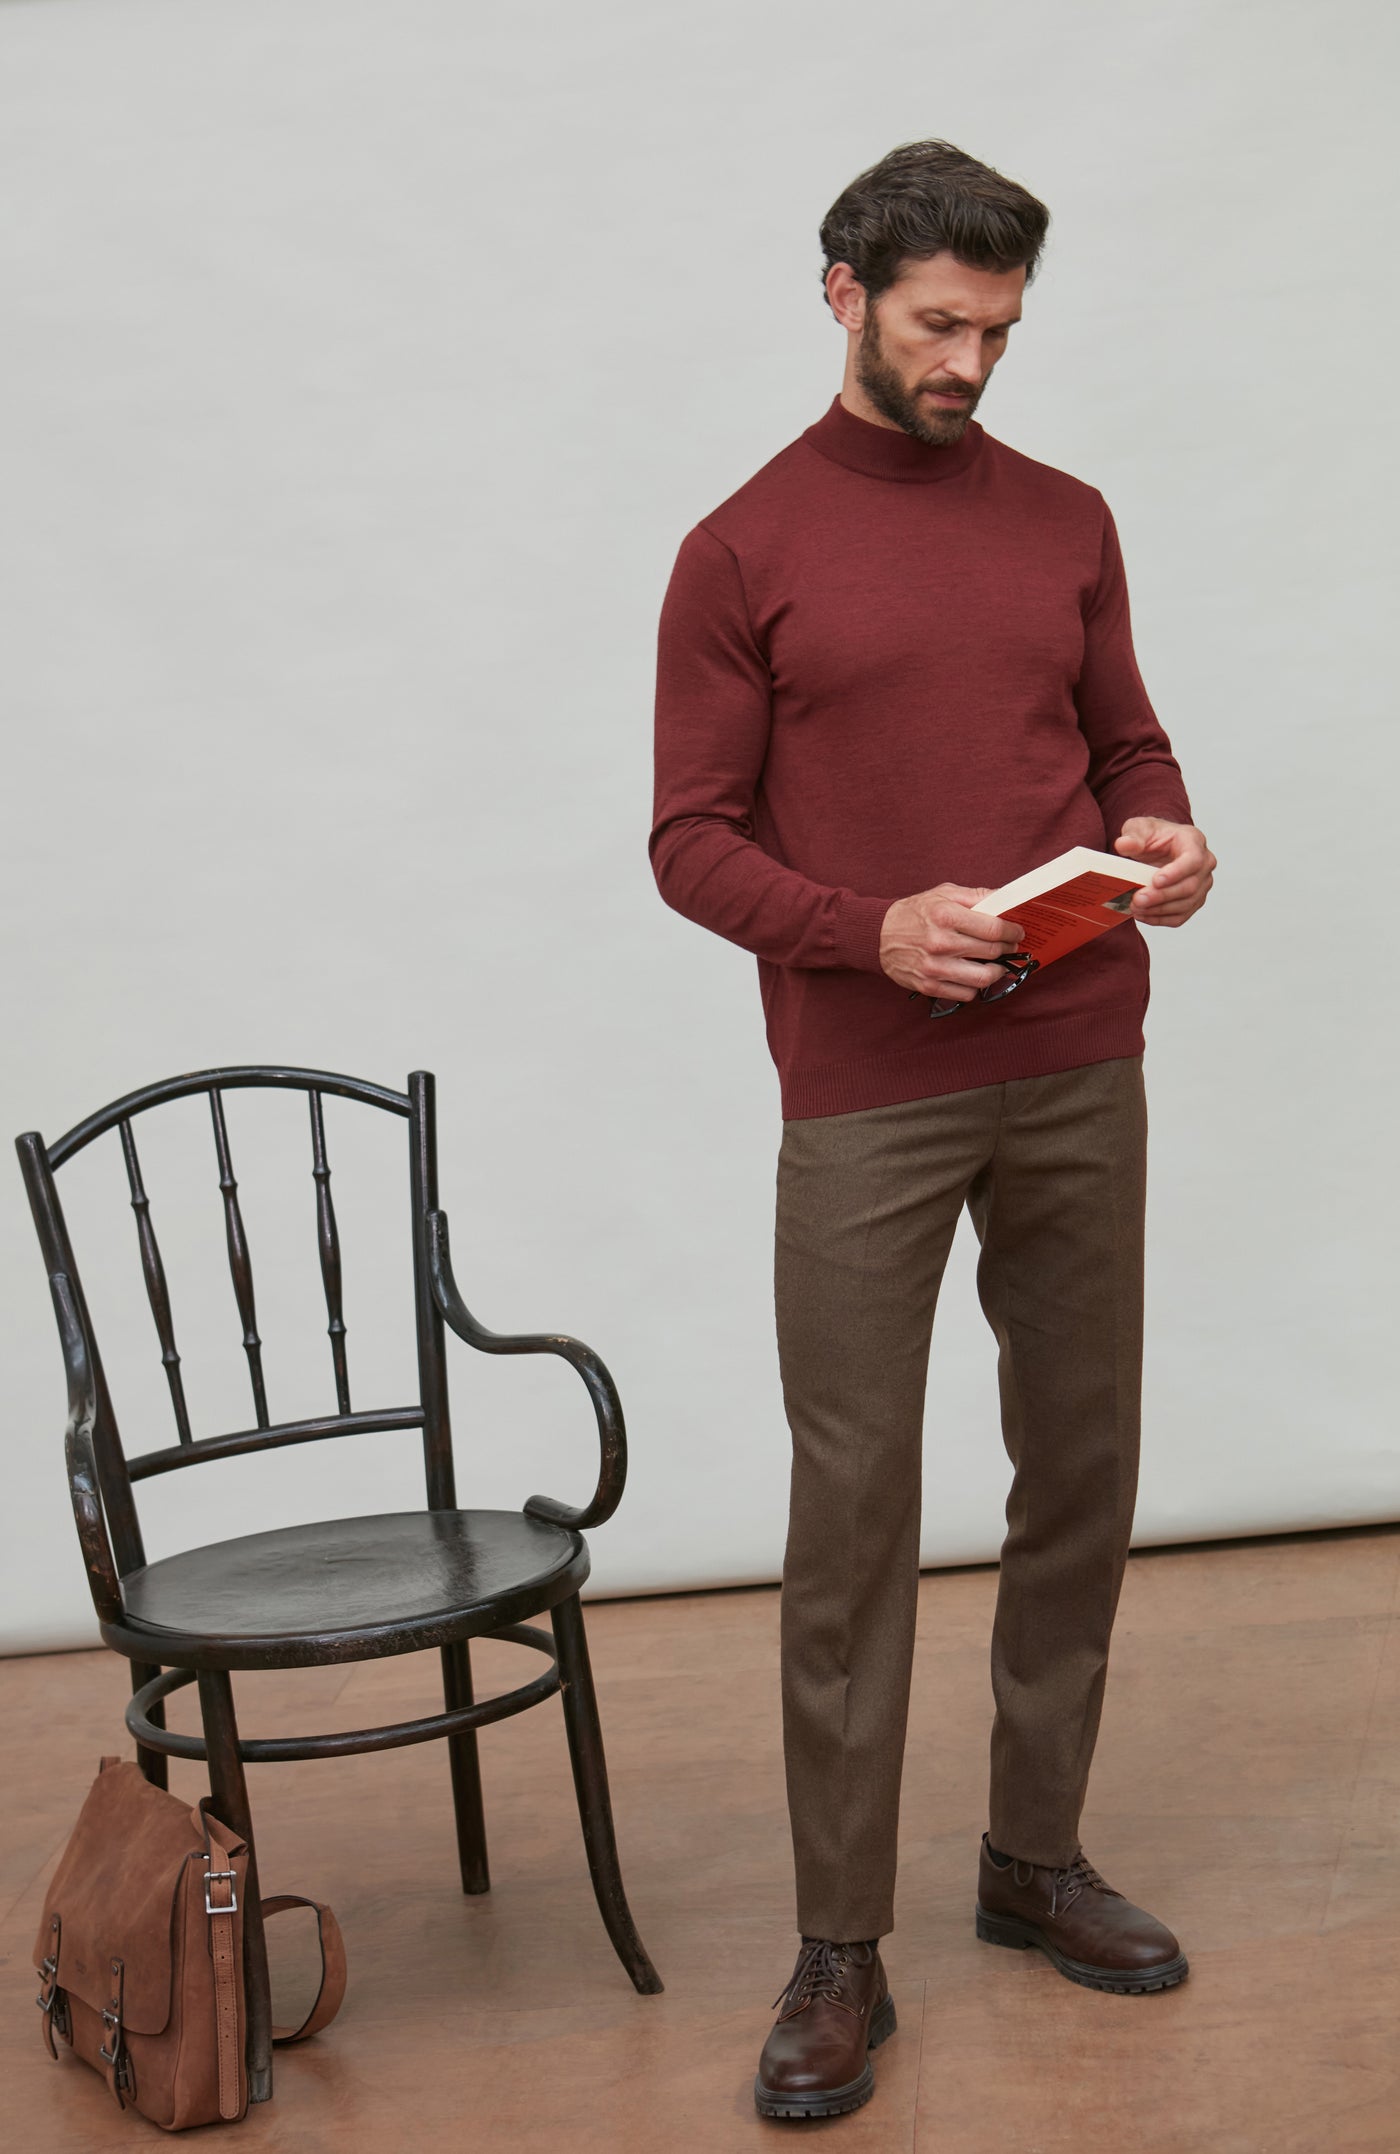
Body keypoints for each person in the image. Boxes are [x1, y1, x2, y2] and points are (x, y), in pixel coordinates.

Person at [649, 139, 1216, 2124]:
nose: (971, 361)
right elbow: (687, 845)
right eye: (936, 324)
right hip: (867, 1097)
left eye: (998, 328)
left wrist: (1165, 829)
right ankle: (837, 1947)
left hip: (1080, 1053)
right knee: (852, 1511)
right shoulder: (741, 549)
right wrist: (861, 929)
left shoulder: (1065, 517)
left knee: (1078, 1466)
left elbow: (1121, 735)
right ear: (842, 295)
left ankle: (1029, 1858)